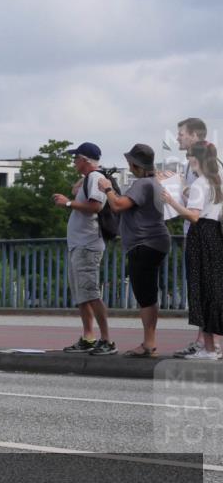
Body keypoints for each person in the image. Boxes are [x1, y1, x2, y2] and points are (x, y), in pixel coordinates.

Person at [99, 144, 171, 358]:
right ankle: (149, 341)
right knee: (148, 293)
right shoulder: (154, 182)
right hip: (156, 241)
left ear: (135, 164)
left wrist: (107, 188)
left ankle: (149, 344)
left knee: (145, 295)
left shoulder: (143, 184)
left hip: (144, 243)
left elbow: (118, 205)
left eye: (130, 162)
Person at [52, 142, 116, 355]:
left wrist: (68, 203)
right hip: (79, 244)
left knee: (90, 292)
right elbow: (77, 190)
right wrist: (82, 181)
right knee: (82, 293)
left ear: (85, 160)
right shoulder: (91, 178)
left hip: (88, 244)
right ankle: (89, 336)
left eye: (76, 158)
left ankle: (106, 339)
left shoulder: (96, 178)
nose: (73, 162)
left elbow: (95, 206)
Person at [162, 141, 223, 360]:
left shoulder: (200, 183)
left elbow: (194, 216)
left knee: (201, 290)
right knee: (213, 289)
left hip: (200, 236)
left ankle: (207, 348)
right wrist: (185, 194)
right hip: (215, 234)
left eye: (189, 157)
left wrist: (171, 201)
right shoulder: (216, 182)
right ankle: (214, 346)